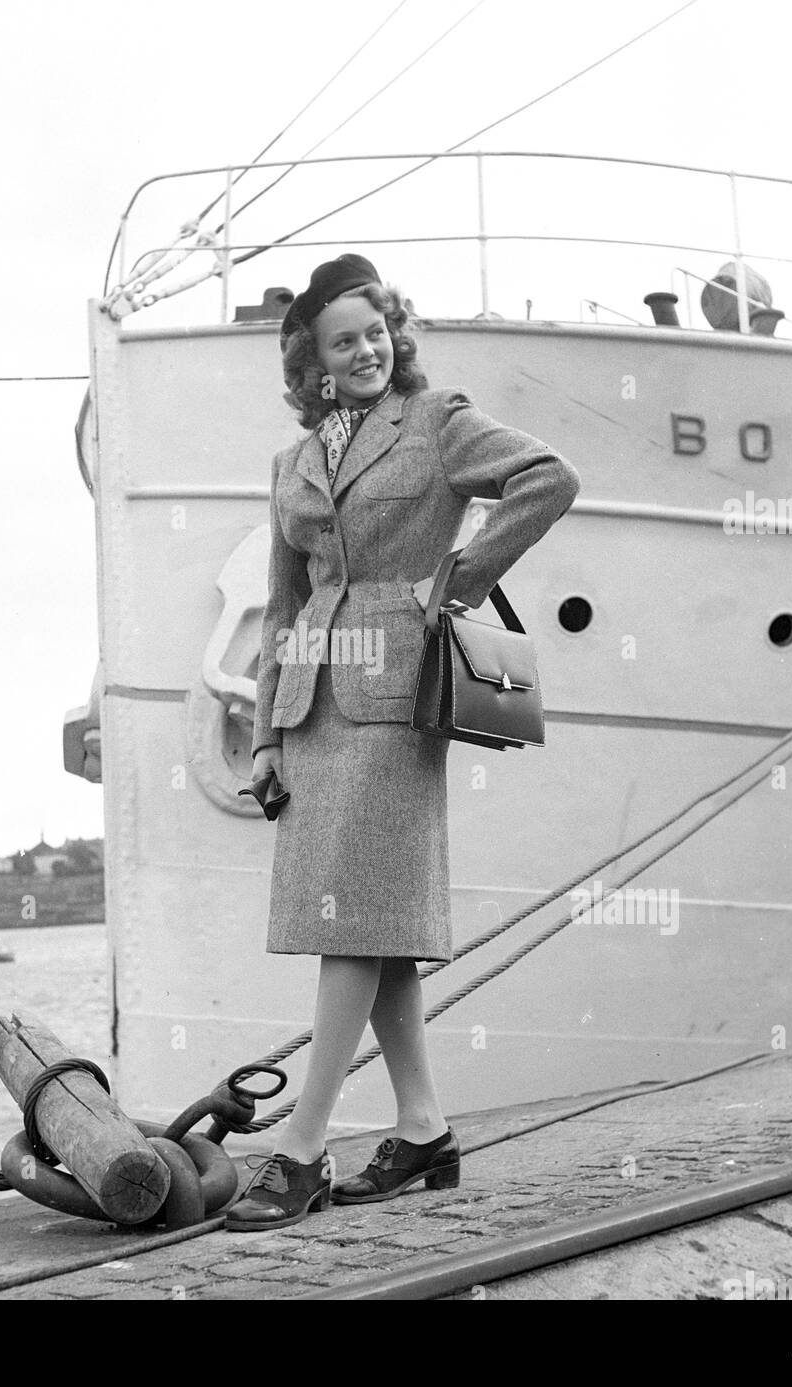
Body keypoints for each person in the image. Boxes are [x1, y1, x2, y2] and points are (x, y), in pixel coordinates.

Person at [224, 254, 581, 1232]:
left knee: (352, 919)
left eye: (376, 330)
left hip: (394, 695)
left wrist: (456, 579)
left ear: (394, 333)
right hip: (312, 707)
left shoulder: (437, 421)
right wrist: (263, 738)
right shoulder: (289, 469)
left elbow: (549, 478)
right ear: (316, 365)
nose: (366, 349)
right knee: (375, 923)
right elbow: (285, 602)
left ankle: (301, 1148)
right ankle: (423, 1126)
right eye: (345, 341)